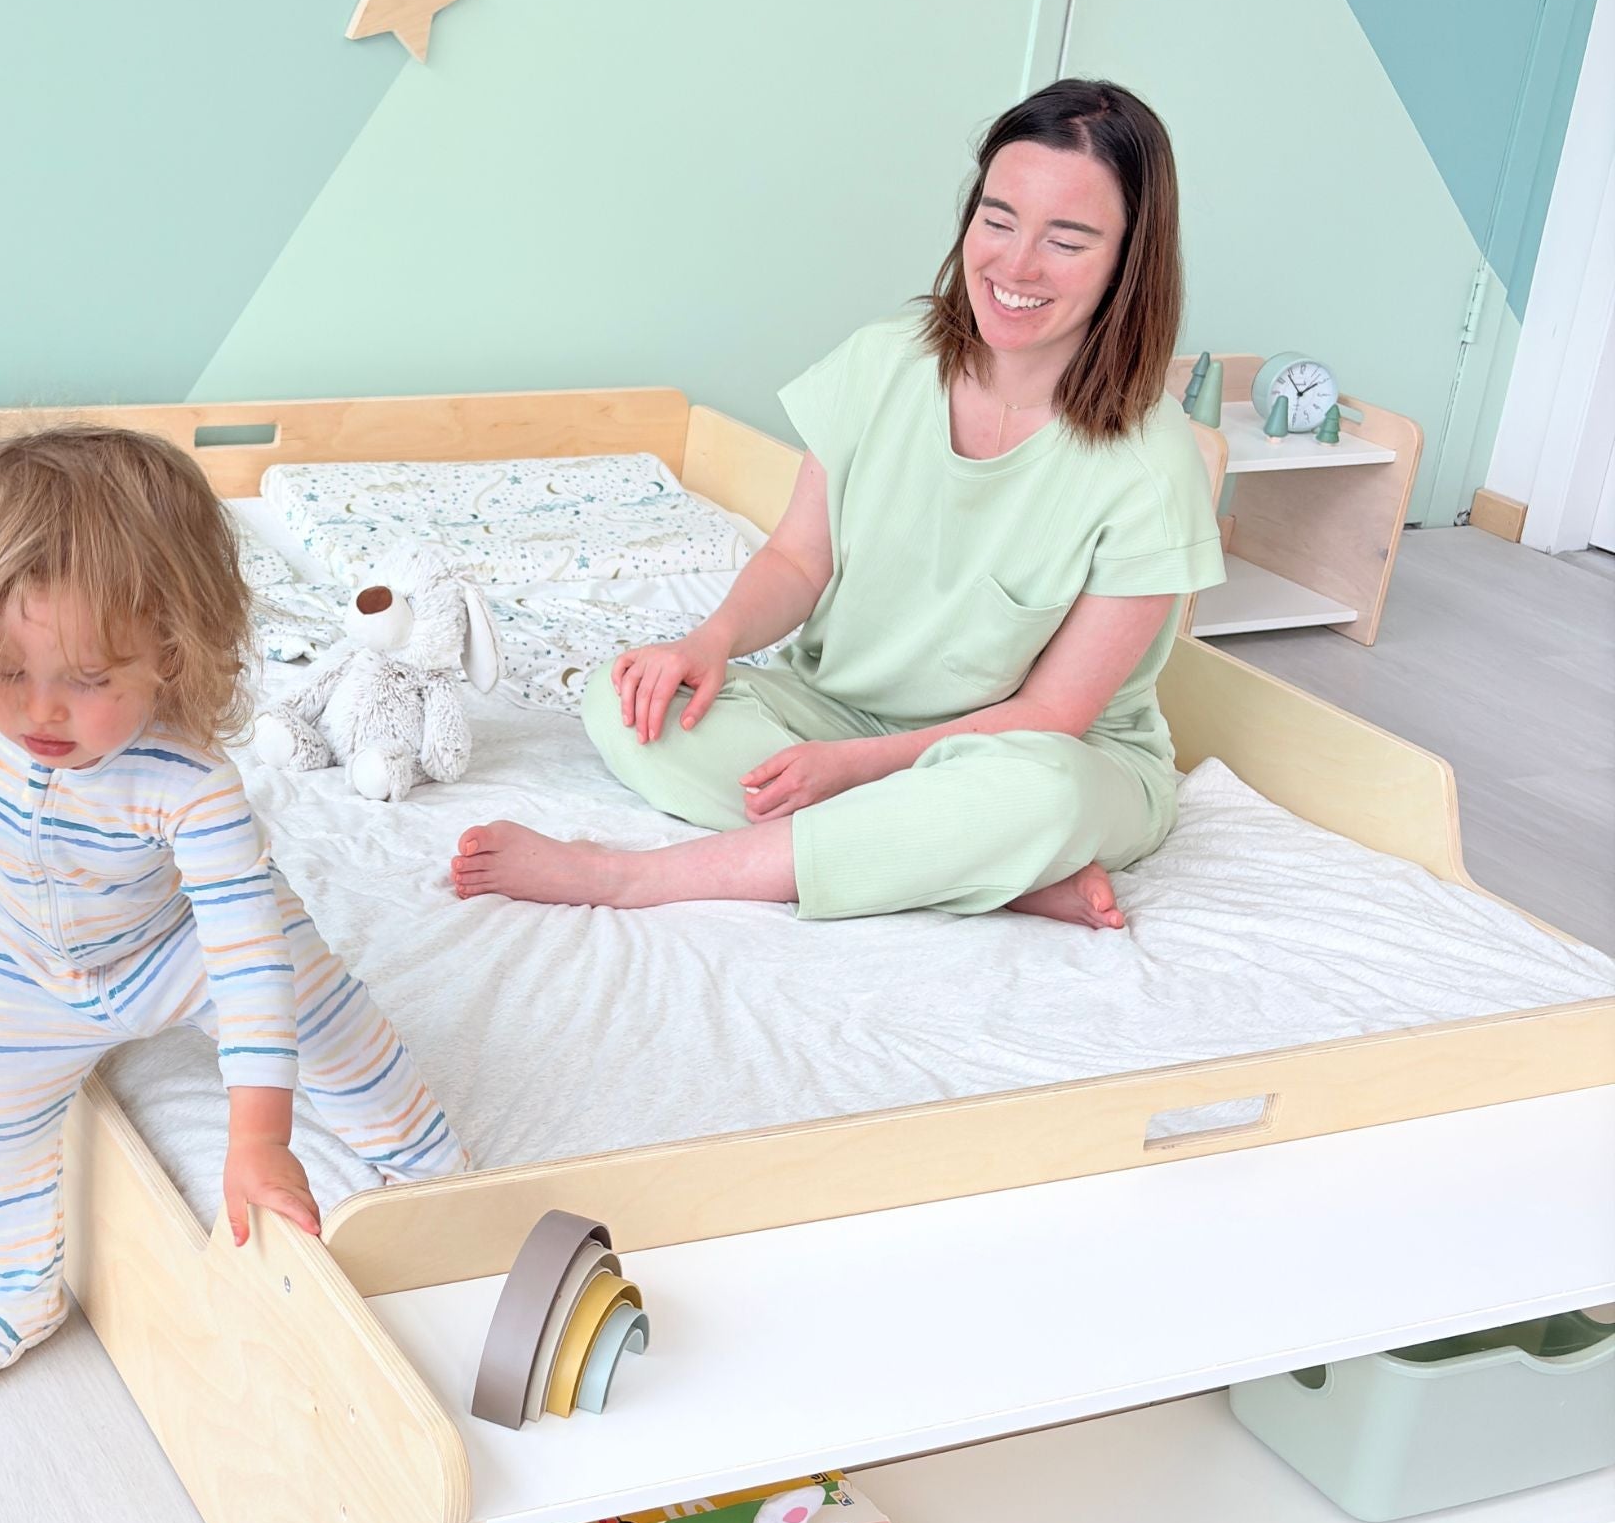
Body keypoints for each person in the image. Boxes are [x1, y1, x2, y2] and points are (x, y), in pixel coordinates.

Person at [0, 427, 465, 1385]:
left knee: (312, 1000)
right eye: (12, 669)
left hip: (175, 944)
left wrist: (258, 1141)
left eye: (88, 679)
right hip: (30, 964)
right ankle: (21, 1289)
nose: (39, 712)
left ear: (171, 653)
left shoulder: (190, 782)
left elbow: (243, 962)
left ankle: (429, 1159)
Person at [451, 78, 1223, 930]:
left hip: (1051, 754)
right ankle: (956, 863)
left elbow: (1051, 716)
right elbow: (797, 560)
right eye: (998, 219)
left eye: (1066, 240)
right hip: (840, 705)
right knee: (628, 700)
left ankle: (634, 878)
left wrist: (854, 770)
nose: (1015, 264)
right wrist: (708, 642)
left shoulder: (1151, 465)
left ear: (1127, 259)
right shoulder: (883, 362)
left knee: (1039, 798)